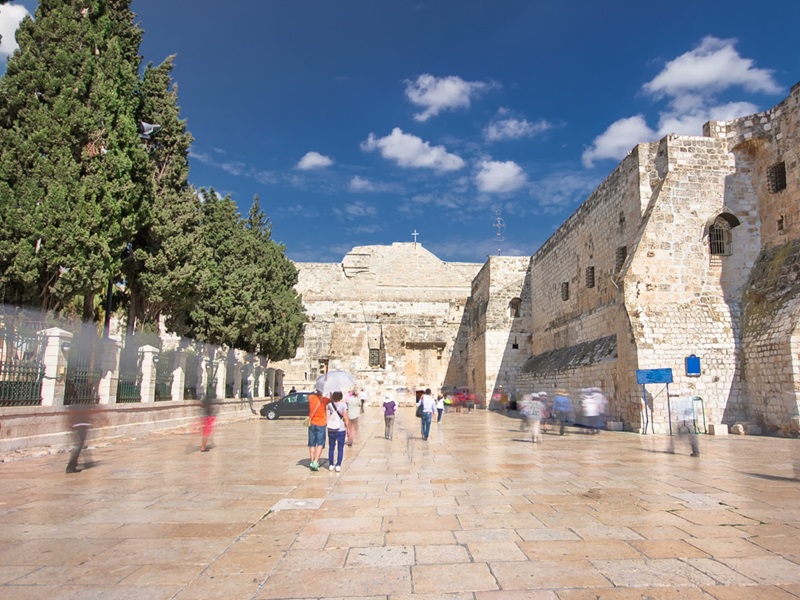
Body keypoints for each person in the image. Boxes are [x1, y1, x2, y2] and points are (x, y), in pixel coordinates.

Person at [65, 403, 95, 473]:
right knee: (78, 446)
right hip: (81, 428)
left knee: (79, 446)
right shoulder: (84, 408)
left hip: (77, 427)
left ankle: (74, 463)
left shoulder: (76, 408)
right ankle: (70, 466)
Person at [307, 389, 330, 471]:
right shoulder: (325, 399)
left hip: (311, 423)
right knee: (320, 443)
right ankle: (316, 462)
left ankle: (311, 461)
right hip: (321, 423)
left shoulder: (310, 397)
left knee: (312, 443)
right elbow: (331, 400)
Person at [326, 391, 349, 472]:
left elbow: (327, 414)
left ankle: (331, 464)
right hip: (341, 429)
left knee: (331, 447)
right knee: (340, 448)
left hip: (331, 428)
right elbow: (345, 417)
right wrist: (348, 428)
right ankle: (338, 465)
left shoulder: (329, 405)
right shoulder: (343, 405)